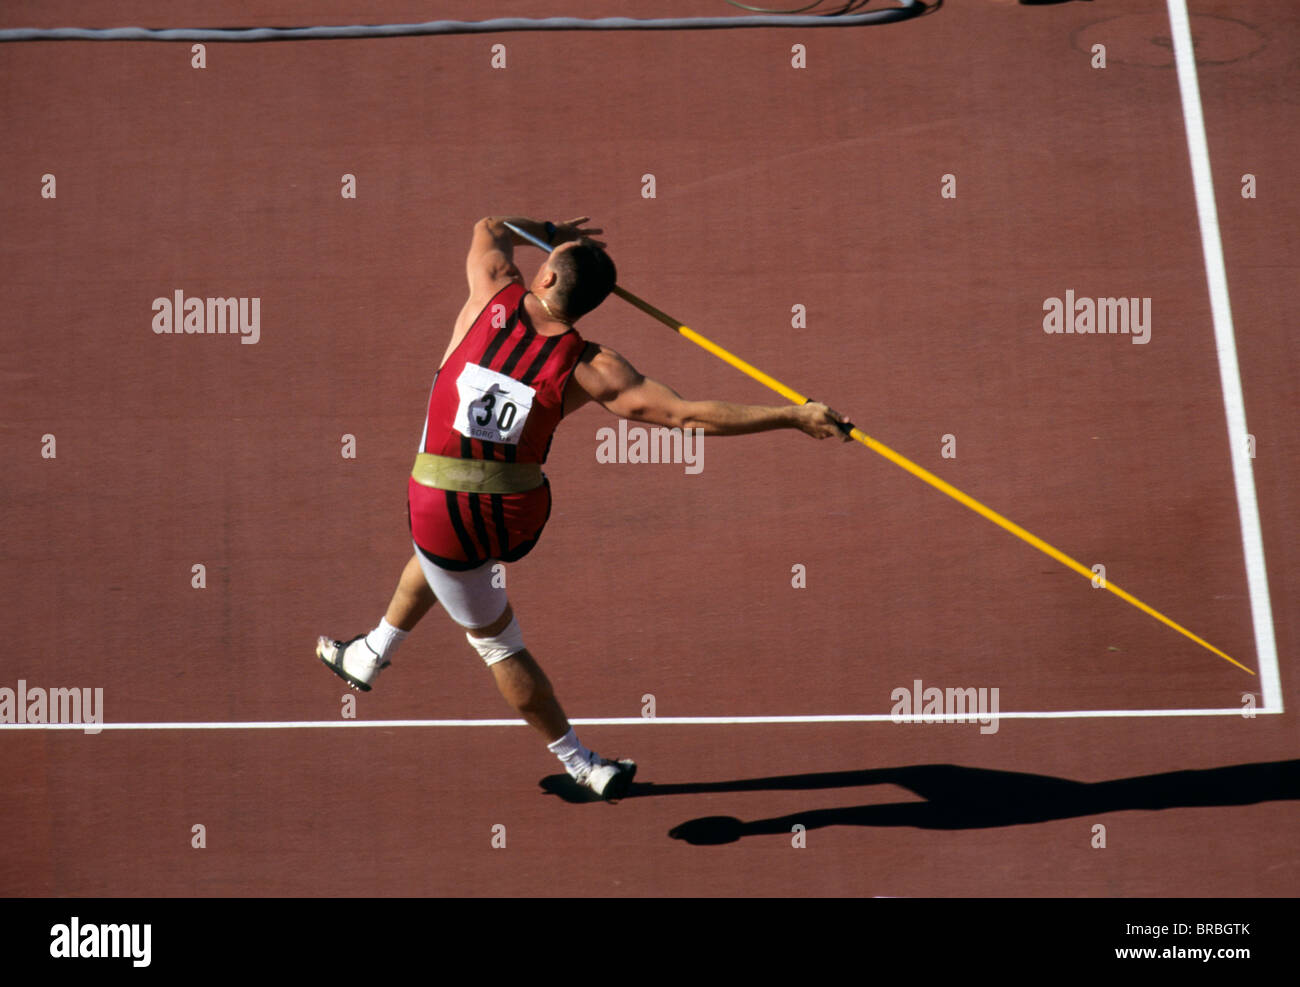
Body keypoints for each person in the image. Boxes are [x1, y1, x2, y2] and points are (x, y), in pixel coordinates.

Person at [317, 215, 846, 799]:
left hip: (439, 507)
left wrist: (543, 226)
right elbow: (686, 416)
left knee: (494, 638)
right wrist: (794, 416)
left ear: (542, 274)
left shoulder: (493, 287)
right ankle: (372, 651)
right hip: (512, 516)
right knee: (449, 567)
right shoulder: (593, 366)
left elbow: (490, 224)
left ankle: (581, 764)